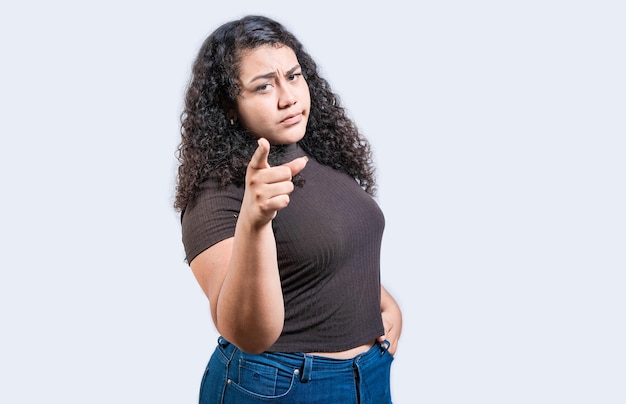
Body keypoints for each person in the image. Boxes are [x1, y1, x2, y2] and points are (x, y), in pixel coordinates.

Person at [174, 15, 402, 404]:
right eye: (263, 86)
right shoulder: (216, 193)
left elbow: (318, 255)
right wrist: (255, 221)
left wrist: (382, 302)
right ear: (229, 106)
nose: (289, 97)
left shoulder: (315, 154)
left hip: (369, 377)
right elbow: (247, 333)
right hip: (279, 387)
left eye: (294, 77)